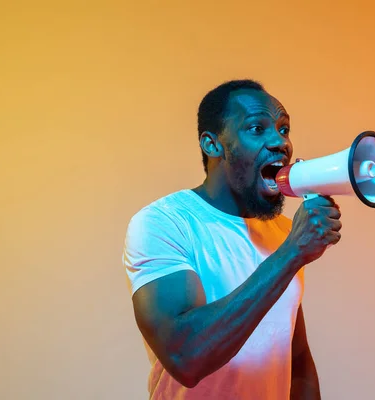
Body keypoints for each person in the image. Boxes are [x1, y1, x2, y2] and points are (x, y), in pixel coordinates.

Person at [122, 79, 342, 399]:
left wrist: (291, 246)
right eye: (257, 128)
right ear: (213, 144)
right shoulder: (164, 223)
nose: (280, 142)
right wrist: (293, 252)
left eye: (283, 129)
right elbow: (186, 357)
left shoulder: (282, 231)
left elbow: (296, 360)